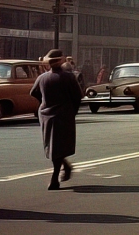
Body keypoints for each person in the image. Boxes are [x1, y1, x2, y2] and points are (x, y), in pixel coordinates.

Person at [30, 48, 83, 190]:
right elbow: (78, 96)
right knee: (60, 145)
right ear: (61, 61)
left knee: (53, 146)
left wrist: (45, 103)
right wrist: (73, 111)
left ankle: (60, 171)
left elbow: (34, 93)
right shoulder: (68, 77)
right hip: (63, 115)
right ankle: (56, 175)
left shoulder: (42, 78)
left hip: (46, 115)